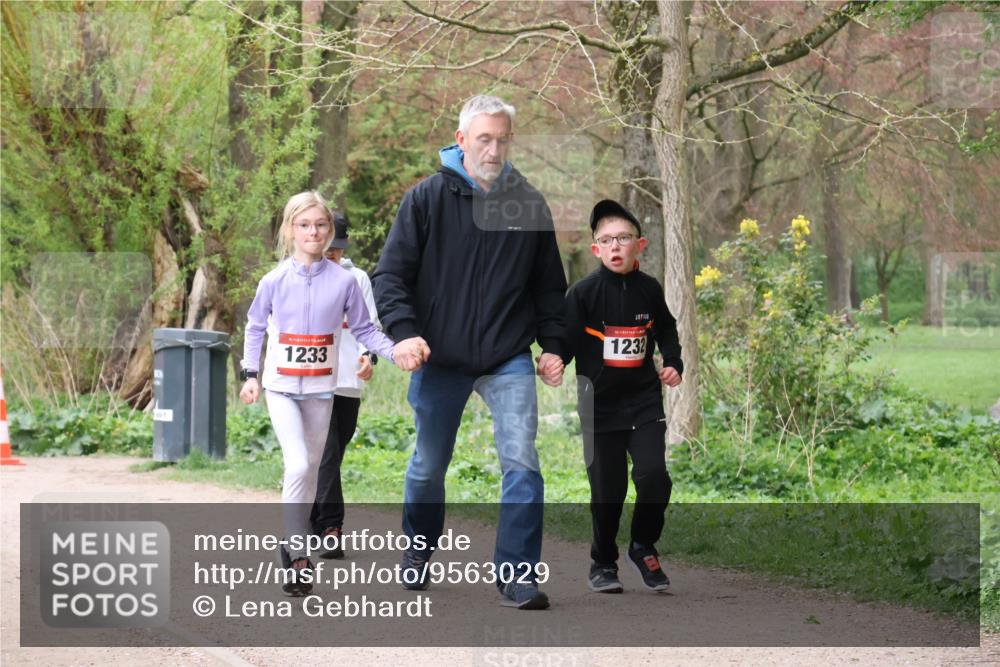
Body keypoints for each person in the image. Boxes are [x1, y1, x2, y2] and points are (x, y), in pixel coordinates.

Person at [372, 94, 567, 610]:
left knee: (522, 459)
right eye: (484, 138)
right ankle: (418, 549)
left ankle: (517, 575)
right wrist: (404, 333)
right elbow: (390, 276)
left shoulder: (529, 205)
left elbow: (550, 289)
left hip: (508, 357)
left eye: (502, 138)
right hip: (441, 356)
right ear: (461, 140)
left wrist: (554, 347)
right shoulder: (425, 200)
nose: (494, 148)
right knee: (428, 465)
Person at [239, 191, 402, 597]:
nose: (314, 232)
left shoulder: (345, 281)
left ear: (330, 230)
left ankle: (295, 546)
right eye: (305, 225)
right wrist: (250, 373)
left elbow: (365, 330)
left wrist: (395, 351)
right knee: (297, 465)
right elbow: (255, 326)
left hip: (321, 390)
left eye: (321, 225)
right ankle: (298, 554)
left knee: (311, 470)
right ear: (290, 230)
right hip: (280, 388)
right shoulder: (274, 280)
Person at [561, 199, 683, 594]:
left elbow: (665, 328)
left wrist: (673, 362)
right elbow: (564, 338)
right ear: (596, 249)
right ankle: (602, 561)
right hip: (598, 405)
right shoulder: (582, 293)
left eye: (623, 238)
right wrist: (554, 361)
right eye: (606, 240)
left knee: (654, 477)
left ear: (640, 245)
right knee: (607, 492)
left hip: (644, 401)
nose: (615, 247)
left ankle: (643, 544)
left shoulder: (649, 289)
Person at [310, 212, 380, 559]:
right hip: (311, 379)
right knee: (326, 451)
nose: (333, 253)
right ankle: (331, 528)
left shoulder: (358, 278)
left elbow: (370, 327)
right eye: (329, 247)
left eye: (338, 248)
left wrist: (371, 357)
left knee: (331, 454)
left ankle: (311, 521)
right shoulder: (302, 277)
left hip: (348, 380)